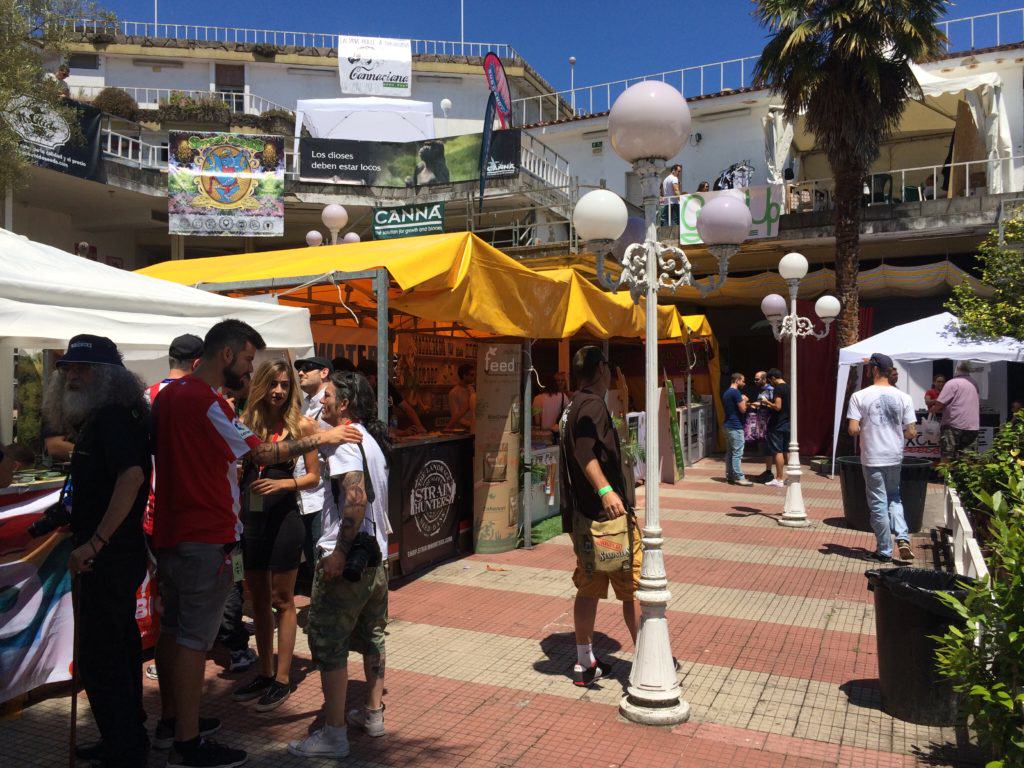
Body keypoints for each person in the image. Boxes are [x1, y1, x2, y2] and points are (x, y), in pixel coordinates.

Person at [151, 320, 362, 768]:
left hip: (171, 532)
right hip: (203, 532)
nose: (251, 370)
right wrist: (323, 437)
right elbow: (261, 455)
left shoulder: (167, 396)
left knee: (174, 632)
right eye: (249, 359)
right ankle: (186, 742)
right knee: (193, 639)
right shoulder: (209, 402)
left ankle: (173, 722)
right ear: (227, 354)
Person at [40, 335, 150, 767]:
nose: (73, 375)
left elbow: (132, 477)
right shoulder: (100, 418)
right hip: (108, 555)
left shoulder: (111, 418)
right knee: (116, 650)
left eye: (83, 369)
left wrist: (95, 542)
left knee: (102, 656)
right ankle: (122, 737)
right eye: (69, 368)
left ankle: (124, 747)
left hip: (108, 556)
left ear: (108, 376)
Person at [289, 372, 391, 759]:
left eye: (326, 396)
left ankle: (333, 733)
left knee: (330, 645)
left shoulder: (347, 444)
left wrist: (339, 552)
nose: (321, 402)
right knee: (373, 637)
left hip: (348, 559)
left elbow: (355, 499)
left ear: (344, 404)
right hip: (376, 558)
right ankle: (373, 713)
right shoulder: (369, 440)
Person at [231, 361, 321, 712]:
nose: (279, 391)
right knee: (256, 598)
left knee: (283, 600)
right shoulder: (246, 424)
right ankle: (265, 672)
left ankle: (283, 678)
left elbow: (313, 477)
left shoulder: (302, 425)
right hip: (251, 519)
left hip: (286, 519)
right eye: (273, 384)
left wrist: (284, 482)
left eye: (285, 385)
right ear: (261, 386)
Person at [559, 346, 641, 688]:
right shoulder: (591, 404)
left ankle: (584, 661)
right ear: (601, 368)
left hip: (585, 517)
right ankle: (649, 659)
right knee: (634, 587)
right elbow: (583, 450)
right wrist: (606, 490)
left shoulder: (573, 404)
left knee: (589, 587)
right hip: (607, 520)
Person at [847, 353, 918, 563]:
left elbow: (853, 429)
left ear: (874, 370)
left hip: (873, 455)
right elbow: (912, 432)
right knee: (894, 497)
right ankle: (903, 538)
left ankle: (884, 550)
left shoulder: (860, 396)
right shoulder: (904, 397)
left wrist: (867, 430)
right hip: (894, 455)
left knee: (878, 502)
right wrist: (894, 434)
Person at [294, 356, 333, 586]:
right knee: (312, 556)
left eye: (308, 369)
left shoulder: (331, 402)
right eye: (299, 370)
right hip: (305, 492)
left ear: (324, 372)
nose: (301, 373)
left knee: (322, 555)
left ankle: (328, 609)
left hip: (322, 493)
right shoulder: (306, 402)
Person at [355, 358, 426, 433]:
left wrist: (420, 427)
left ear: (376, 376)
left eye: (369, 378)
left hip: (387, 433)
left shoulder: (385, 387)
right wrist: (402, 433)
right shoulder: (358, 393)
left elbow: (406, 408)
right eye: (362, 379)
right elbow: (370, 426)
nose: (366, 382)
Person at [930, 361, 981, 461]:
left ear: (957, 369)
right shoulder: (974, 383)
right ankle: (966, 476)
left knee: (947, 455)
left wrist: (933, 409)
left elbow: (940, 404)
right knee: (968, 457)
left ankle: (946, 476)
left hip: (954, 425)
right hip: (972, 426)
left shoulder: (952, 383)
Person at [722, 372, 753, 486]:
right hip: (735, 426)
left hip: (727, 425)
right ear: (737, 380)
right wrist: (744, 399)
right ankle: (739, 477)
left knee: (730, 452)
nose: (744, 383)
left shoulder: (726, 393)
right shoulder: (735, 393)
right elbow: (743, 409)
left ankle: (730, 476)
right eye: (743, 381)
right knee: (737, 453)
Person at [764, 368, 790, 487]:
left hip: (778, 423)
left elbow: (778, 406)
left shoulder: (778, 388)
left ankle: (779, 478)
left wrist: (766, 402)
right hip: (788, 423)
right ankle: (790, 477)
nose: (770, 383)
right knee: (786, 450)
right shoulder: (789, 387)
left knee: (777, 451)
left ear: (773, 378)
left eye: (770, 381)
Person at [748, 371, 775, 483]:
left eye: (757, 379)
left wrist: (760, 404)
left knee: (769, 447)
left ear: (764, 379)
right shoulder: (760, 390)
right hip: (761, 422)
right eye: (754, 379)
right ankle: (768, 471)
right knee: (764, 447)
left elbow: (774, 405)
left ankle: (771, 474)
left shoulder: (771, 390)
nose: (755, 381)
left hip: (768, 423)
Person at [533, 370, 571, 444]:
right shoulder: (563, 397)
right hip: (558, 437)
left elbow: (536, 422)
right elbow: (569, 416)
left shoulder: (537, 399)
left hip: (543, 439)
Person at [447, 363, 476, 431]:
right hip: (461, 429)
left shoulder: (472, 389)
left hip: (472, 427)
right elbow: (455, 415)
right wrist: (468, 424)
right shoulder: (453, 393)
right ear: (464, 376)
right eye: (471, 375)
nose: (474, 377)